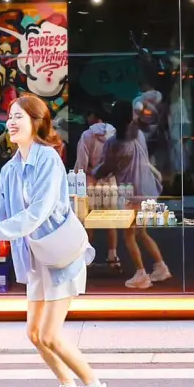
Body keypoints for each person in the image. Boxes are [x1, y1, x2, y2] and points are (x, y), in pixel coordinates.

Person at [0, 94, 117, 387]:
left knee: (50, 334)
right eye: (10, 116)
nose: (12, 121)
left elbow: (38, 213)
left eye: (20, 116)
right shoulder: (10, 169)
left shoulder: (48, 159)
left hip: (60, 255)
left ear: (38, 122)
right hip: (35, 259)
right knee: (34, 333)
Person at [97, 100, 169, 289]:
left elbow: (105, 168)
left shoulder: (114, 143)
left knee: (129, 235)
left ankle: (141, 274)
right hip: (150, 191)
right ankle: (160, 267)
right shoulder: (139, 135)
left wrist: (95, 173)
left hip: (133, 195)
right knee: (141, 232)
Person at [75, 103, 119, 271]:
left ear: (93, 115)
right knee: (111, 223)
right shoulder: (115, 134)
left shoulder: (87, 135)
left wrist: (81, 174)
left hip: (91, 183)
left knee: (89, 222)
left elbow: (81, 163)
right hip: (111, 183)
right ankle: (112, 256)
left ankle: (88, 259)